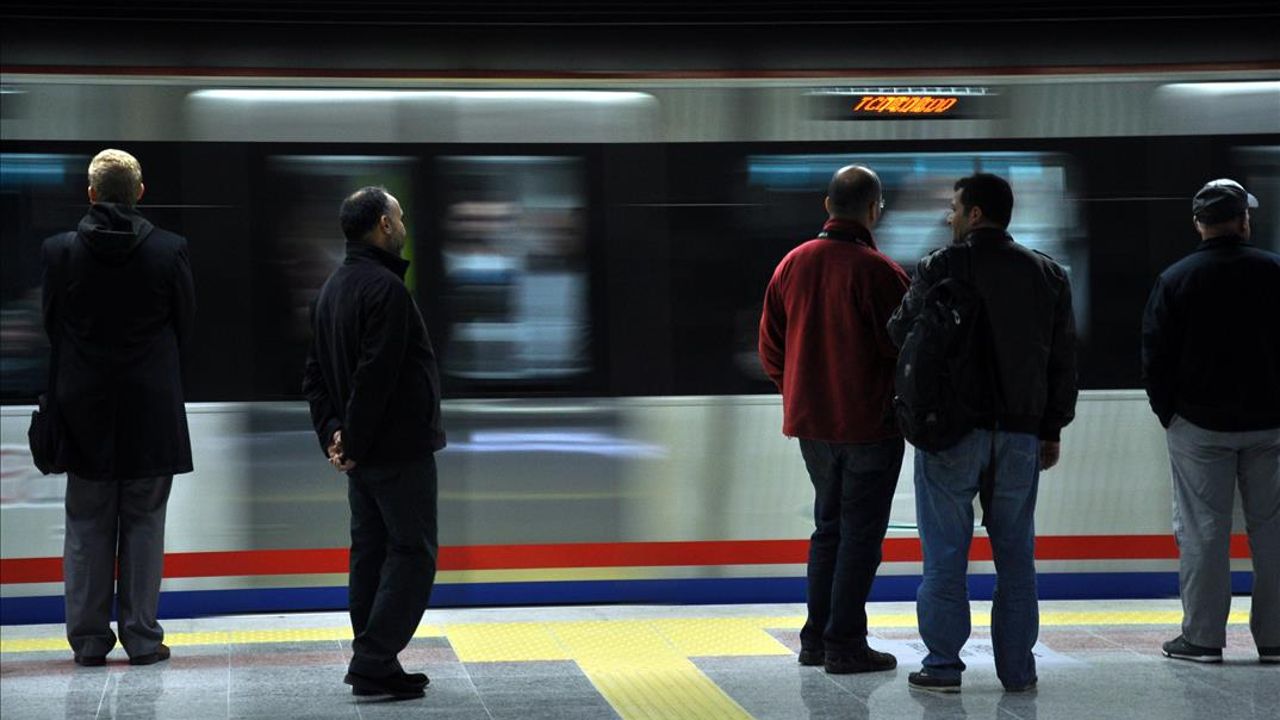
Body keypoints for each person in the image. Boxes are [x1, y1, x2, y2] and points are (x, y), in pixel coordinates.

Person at [888, 173, 1077, 693]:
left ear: (974, 214)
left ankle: (943, 666)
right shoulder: (1049, 274)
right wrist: (1052, 428)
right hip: (1020, 434)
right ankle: (1018, 671)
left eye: (953, 208)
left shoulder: (942, 265)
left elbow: (900, 330)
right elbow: (1062, 360)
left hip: (950, 432)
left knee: (946, 556)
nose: (948, 217)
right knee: (1016, 558)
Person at [41, 148, 196, 667]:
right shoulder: (170, 251)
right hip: (150, 411)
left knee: (86, 525)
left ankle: (87, 642)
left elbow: (51, 327)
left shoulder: (59, 252)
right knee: (145, 524)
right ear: (140, 193)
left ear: (90, 194)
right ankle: (142, 639)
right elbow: (185, 326)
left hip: (83, 413)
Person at [759, 165, 911, 674]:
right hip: (869, 424)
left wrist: (801, 391)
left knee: (828, 529)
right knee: (861, 535)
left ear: (828, 207)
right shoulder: (882, 273)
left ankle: (815, 641)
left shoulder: (791, 265)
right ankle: (845, 643)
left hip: (812, 427)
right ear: (873, 211)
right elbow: (904, 350)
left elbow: (770, 347)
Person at [303, 186, 446, 698]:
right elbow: (377, 375)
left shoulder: (331, 290)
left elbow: (315, 376)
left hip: (362, 454)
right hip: (397, 449)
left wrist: (334, 437)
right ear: (383, 225)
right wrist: (354, 440)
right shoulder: (385, 290)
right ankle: (373, 657)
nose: (404, 225)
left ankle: (375, 658)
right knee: (412, 552)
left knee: (369, 552)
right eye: (400, 217)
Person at [1141, 178, 1280, 665]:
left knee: (1203, 531)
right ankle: (1275, 639)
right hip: (1271, 426)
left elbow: (1155, 358)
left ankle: (1202, 639)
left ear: (1198, 224)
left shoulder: (1176, 279)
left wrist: (1172, 416)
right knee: (1274, 532)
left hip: (1198, 427)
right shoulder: (1274, 272)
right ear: (1244, 220)